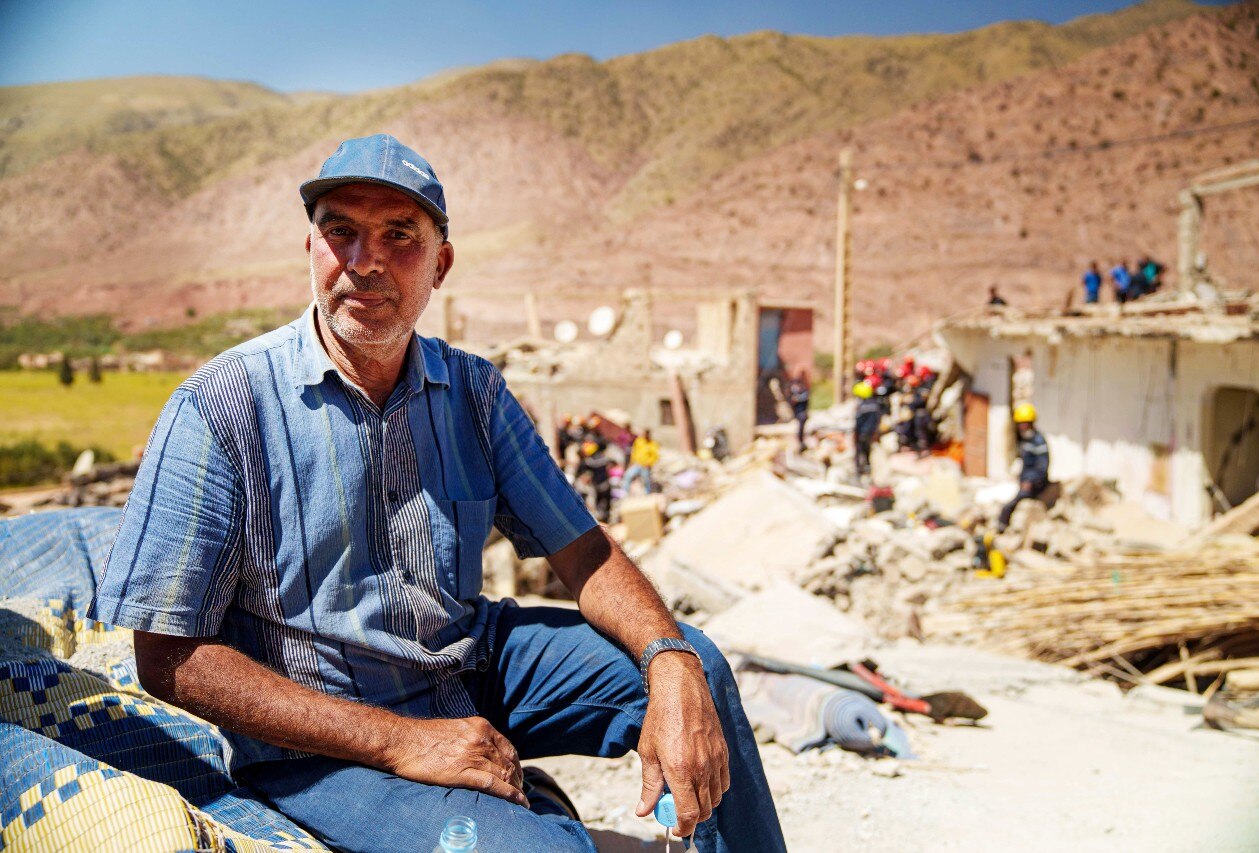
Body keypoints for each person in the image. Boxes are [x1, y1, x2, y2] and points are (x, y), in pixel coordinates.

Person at [89, 134, 783, 852]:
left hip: (468, 668)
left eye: (399, 235)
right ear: (311, 249)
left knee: (697, 671)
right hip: (325, 744)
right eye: (341, 232)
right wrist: (399, 741)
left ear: (441, 263)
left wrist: (668, 656)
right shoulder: (221, 406)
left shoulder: (474, 392)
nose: (365, 262)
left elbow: (583, 552)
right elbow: (168, 654)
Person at [997, 403, 1051, 532]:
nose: (1022, 426)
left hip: (1035, 484)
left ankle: (1003, 528)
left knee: (1008, 507)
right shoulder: (1025, 439)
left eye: (1024, 423)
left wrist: (1030, 481)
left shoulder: (1038, 441)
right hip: (1024, 480)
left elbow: (1042, 467)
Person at [852, 381, 881, 480]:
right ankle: (867, 469)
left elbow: (858, 422)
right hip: (869, 432)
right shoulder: (874, 404)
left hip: (862, 433)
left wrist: (856, 433)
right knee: (867, 451)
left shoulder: (862, 406)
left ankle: (859, 471)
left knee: (860, 452)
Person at [622, 428, 659, 495]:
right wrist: (632, 462)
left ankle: (648, 494)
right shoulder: (639, 441)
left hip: (645, 466)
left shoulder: (652, 444)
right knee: (628, 476)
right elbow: (634, 452)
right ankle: (625, 493)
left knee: (646, 481)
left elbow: (655, 456)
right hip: (637, 464)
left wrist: (649, 463)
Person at [788, 375, 810, 450]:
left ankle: (801, 443)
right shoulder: (793, 393)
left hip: (802, 414)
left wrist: (797, 398)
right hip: (796, 414)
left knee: (801, 430)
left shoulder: (804, 392)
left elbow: (803, 398)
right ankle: (798, 443)